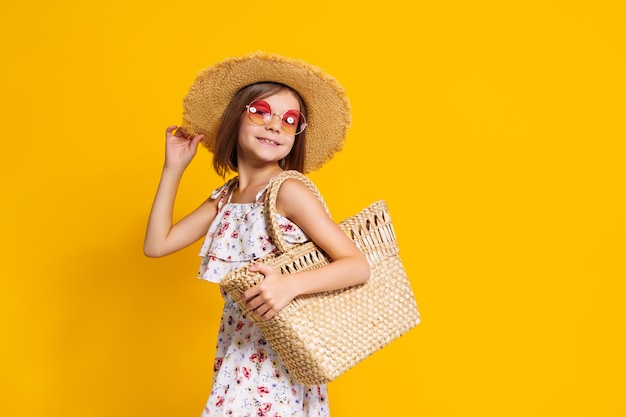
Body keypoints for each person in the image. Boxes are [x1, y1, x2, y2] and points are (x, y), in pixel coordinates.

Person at [144, 52, 370, 417]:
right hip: (239, 351)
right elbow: (157, 245)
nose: (275, 126)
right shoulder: (225, 198)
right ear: (236, 118)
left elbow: (357, 265)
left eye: (289, 120)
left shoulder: (288, 191)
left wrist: (290, 285)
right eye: (260, 111)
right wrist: (173, 169)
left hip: (280, 356)